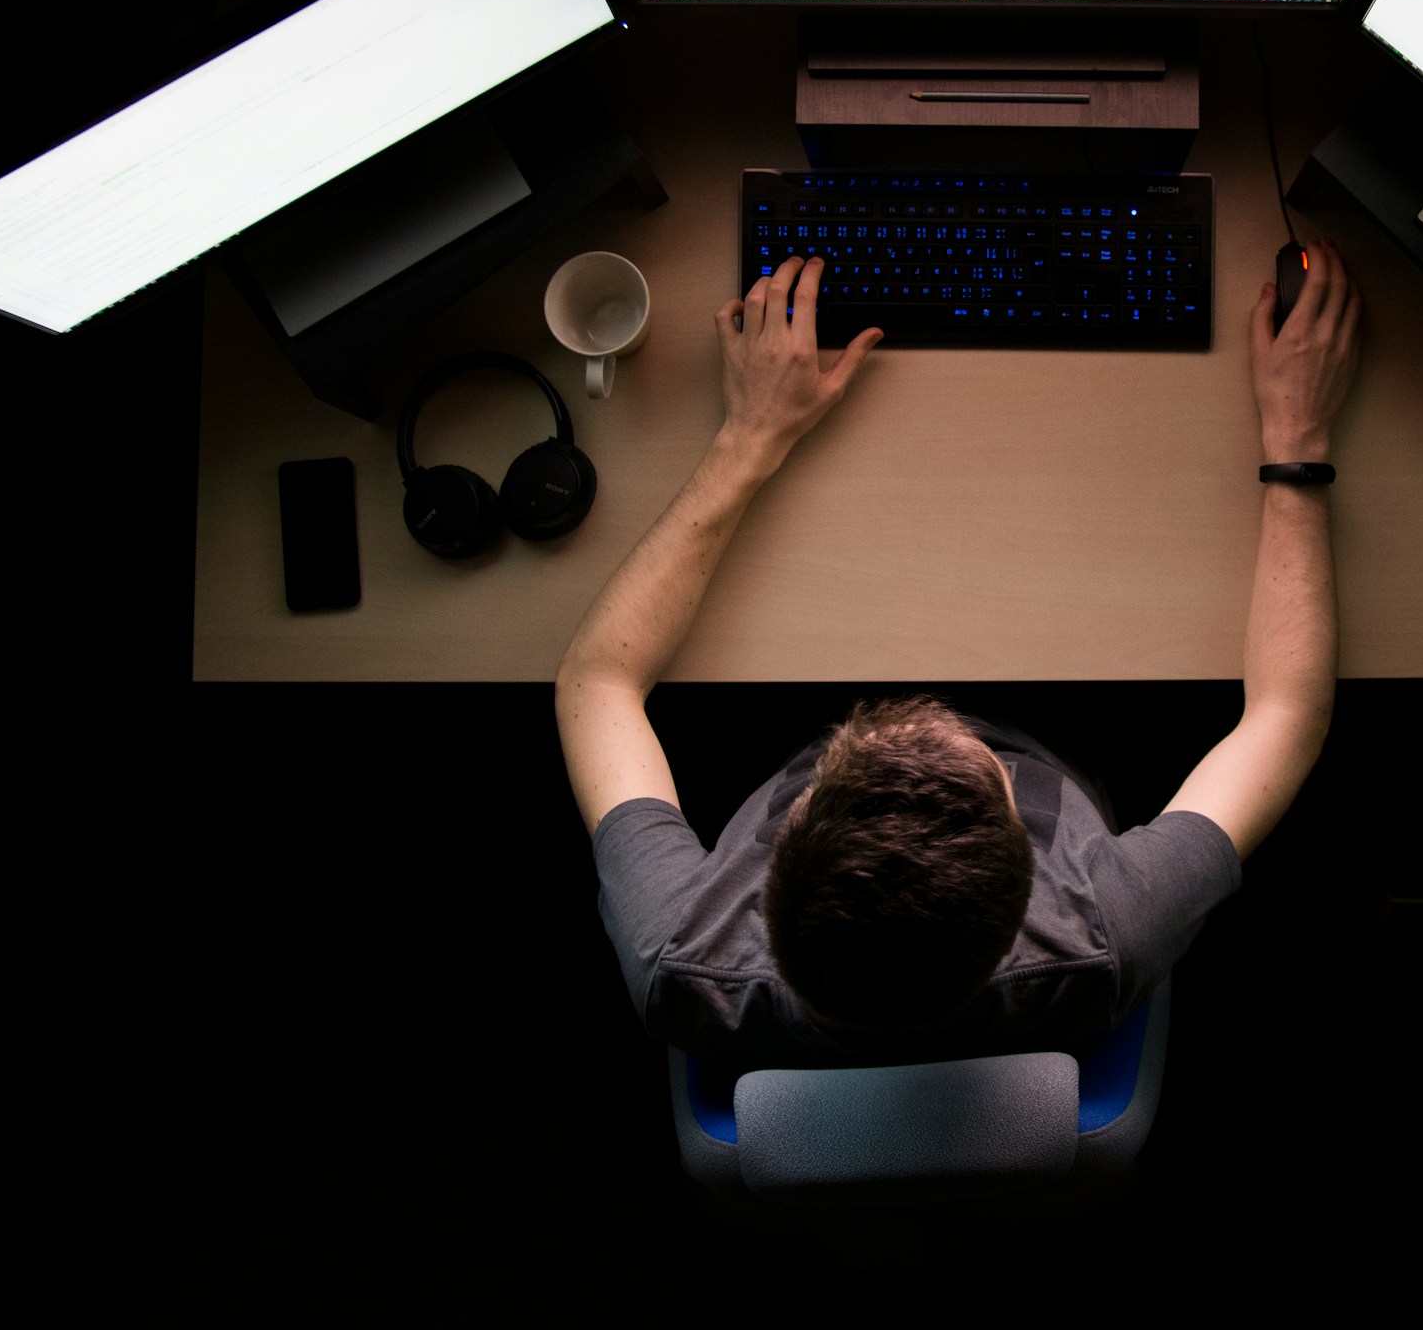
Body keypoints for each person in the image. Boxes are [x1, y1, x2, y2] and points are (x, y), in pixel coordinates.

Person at [556, 239, 1362, 1067]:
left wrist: (748, 436)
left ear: (782, 846)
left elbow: (596, 681)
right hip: (1071, 725)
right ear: (1025, 884)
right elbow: (1286, 714)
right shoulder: (1105, 929)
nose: (940, 711)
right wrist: (1298, 436)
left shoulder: (676, 954)